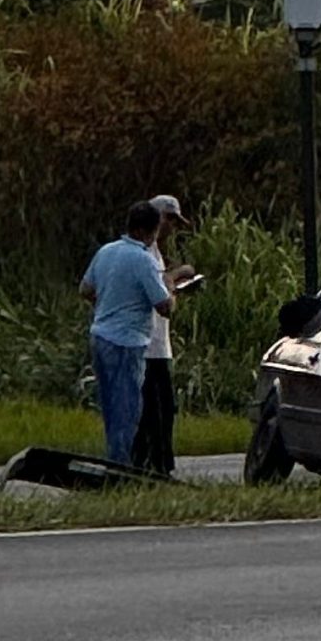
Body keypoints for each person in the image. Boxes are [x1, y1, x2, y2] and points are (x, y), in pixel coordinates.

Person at [80, 201, 171, 468]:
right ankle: (121, 465)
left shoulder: (106, 251)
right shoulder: (143, 260)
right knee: (127, 406)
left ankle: (115, 455)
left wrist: (107, 302)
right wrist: (171, 287)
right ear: (149, 231)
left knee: (110, 404)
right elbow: (163, 306)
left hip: (100, 335)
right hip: (127, 341)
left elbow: (85, 289)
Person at [137, 193, 196, 476]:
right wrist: (175, 277)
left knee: (164, 407)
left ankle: (160, 462)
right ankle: (153, 464)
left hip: (160, 344)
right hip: (148, 344)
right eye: (169, 219)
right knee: (155, 409)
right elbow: (160, 293)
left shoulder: (156, 252)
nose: (172, 227)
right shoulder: (144, 253)